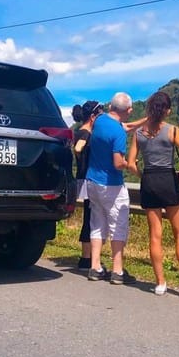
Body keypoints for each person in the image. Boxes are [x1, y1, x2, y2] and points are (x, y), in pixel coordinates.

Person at [127, 91, 179, 297]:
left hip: (149, 180)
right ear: (166, 110)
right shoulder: (173, 130)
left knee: (155, 235)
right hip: (168, 179)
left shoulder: (139, 133)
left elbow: (130, 163)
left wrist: (142, 175)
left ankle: (160, 283)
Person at [85, 92, 135, 285]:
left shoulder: (99, 120)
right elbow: (117, 163)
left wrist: (146, 120)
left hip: (92, 181)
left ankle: (95, 267)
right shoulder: (118, 133)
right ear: (128, 110)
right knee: (118, 226)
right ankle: (117, 270)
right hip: (111, 185)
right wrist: (129, 164)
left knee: (97, 224)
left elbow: (125, 125)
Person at [71, 100, 104, 270]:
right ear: (93, 116)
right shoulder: (85, 133)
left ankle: (88, 256)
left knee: (90, 216)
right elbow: (78, 148)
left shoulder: (80, 131)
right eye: (100, 113)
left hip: (83, 178)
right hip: (88, 179)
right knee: (91, 217)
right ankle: (86, 258)